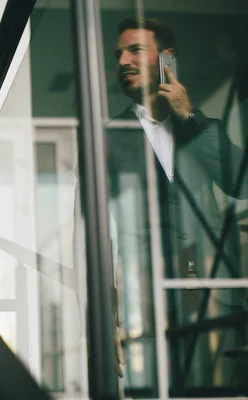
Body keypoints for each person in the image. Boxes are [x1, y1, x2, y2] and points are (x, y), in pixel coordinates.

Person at [106, 17, 248, 392]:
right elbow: (99, 239)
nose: (122, 60)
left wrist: (189, 116)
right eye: (118, 54)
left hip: (217, 299)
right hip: (149, 308)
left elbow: (241, 184)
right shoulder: (107, 138)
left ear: (167, 59)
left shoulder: (201, 128)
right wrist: (108, 321)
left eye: (135, 50)